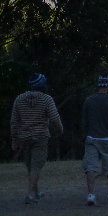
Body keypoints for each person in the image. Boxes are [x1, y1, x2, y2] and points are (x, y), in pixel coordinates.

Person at [9, 73, 64, 205]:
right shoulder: (47, 99)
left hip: (25, 137)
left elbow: (14, 121)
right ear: (43, 85)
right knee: (36, 166)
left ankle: (36, 193)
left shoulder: (19, 99)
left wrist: (14, 139)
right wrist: (60, 129)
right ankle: (29, 195)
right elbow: (55, 118)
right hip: (40, 137)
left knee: (31, 166)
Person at [82, 75, 108, 206]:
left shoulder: (89, 100)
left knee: (91, 167)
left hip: (91, 138)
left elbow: (84, 121)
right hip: (106, 138)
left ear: (98, 86)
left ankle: (91, 194)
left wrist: (86, 134)